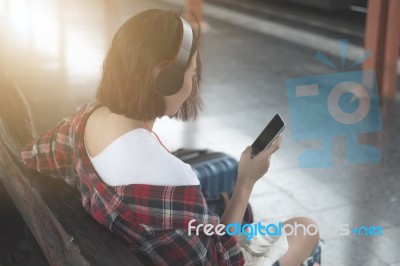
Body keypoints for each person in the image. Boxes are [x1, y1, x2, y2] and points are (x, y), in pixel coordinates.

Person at [20, 9, 321, 266]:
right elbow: (225, 260)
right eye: (191, 73)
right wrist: (246, 181)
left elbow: (34, 156)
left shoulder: (85, 120)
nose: (192, 82)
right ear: (165, 77)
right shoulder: (172, 179)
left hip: (131, 243)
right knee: (307, 230)